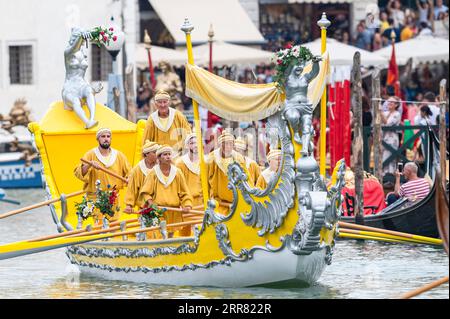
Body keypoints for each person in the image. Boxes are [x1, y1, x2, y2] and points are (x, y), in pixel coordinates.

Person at [74, 128, 131, 221]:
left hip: (113, 197)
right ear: (98, 139)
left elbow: (130, 172)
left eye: (108, 136)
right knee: (99, 225)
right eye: (103, 136)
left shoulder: (119, 155)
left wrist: (129, 179)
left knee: (114, 225)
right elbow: (79, 172)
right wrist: (89, 164)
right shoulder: (90, 154)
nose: (106, 139)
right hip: (97, 198)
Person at [139, 145, 193, 238]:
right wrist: (151, 203)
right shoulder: (153, 173)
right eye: (165, 154)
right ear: (159, 157)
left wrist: (187, 204)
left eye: (169, 154)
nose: (168, 156)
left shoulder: (177, 172)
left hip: (174, 210)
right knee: (161, 234)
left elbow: (185, 192)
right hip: (159, 210)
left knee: (171, 234)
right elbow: (146, 192)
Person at [62, 28, 102, 129]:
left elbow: (83, 76)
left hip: (82, 85)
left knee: (89, 91)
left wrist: (94, 90)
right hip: (70, 87)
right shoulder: (68, 53)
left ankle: (92, 118)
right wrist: (81, 36)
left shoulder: (82, 55)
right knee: (75, 101)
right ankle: (87, 122)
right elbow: (75, 47)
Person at [142, 89, 192, 155]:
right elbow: (146, 141)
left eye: (165, 102)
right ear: (155, 104)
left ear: (169, 102)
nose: (162, 105)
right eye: (160, 102)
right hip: (158, 158)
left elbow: (188, 136)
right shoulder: (151, 119)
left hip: (178, 155)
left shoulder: (178, 116)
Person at [206, 131, 246, 214]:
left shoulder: (239, 158)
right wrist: (206, 198)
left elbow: (246, 179)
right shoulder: (212, 158)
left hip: (237, 203)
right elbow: (205, 180)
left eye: (230, 144)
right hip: (219, 203)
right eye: (225, 144)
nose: (228, 147)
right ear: (220, 145)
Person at [123, 140, 160, 214]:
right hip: (143, 207)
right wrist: (129, 205)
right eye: (154, 152)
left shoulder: (161, 166)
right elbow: (132, 188)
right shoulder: (137, 169)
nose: (157, 154)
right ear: (146, 154)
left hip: (160, 206)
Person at [175, 133, 203, 207]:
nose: (195, 145)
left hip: (202, 202)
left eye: (197, 143)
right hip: (187, 203)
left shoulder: (205, 162)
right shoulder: (180, 163)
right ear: (187, 145)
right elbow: (177, 185)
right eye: (192, 143)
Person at [381, 97, 402, 175]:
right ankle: (383, 176)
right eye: (388, 101)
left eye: (392, 102)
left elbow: (388, 124)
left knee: (390, 157)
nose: (389, 103)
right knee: (383, 157)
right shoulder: (385, 113)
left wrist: (380, 113)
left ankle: (389, 177)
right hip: (383, 138)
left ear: (396, 105)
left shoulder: (397, 114)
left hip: (392, 138)